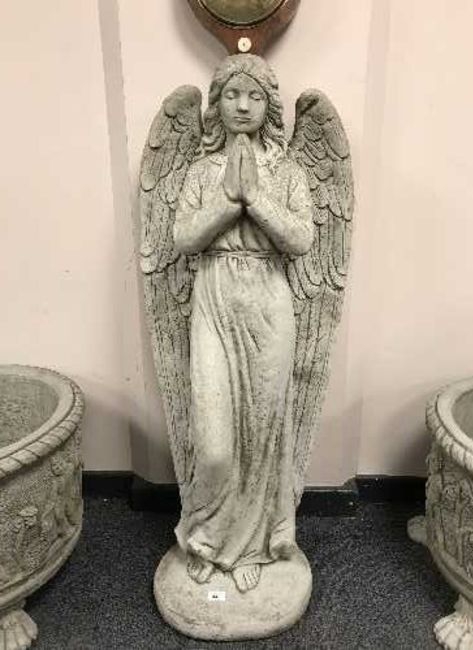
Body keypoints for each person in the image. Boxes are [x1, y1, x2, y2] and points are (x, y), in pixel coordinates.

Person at [173, 55, 314, 593]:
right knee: (215, 444)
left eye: (254, 96)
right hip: (213, 301)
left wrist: (256, 196)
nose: (242, 105)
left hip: (268, 306)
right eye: (232, 94)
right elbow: (185, 239)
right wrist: (228, 201)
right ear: (217, 103)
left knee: (260, 435)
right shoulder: (200, 171)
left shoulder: (288, 171)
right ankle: (207, 533)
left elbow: (300, 240)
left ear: (269, 106)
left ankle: (250, 545)